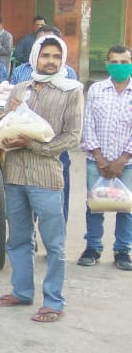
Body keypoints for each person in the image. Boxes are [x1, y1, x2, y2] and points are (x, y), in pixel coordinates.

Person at [0, 35, 82, 323]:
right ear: (34, 58)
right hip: (15, 174)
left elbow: (72, 137)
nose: (51, 61)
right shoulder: (20, 88)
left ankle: (53, 301)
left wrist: (33, 145)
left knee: (54, 243)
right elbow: (4, 127)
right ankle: (21, 292)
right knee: (18, 238)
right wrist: (10, 112)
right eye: (46, 56)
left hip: (47, 176)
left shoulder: (71, 91)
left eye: (56, 56)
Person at [11, 24, 77, 219]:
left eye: (56, 55)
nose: (50, 60)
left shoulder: (69, 76)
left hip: (55, 150)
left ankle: (58, 234)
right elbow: (10, 107)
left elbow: (72, 127)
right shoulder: (20, 74)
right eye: (44, 52)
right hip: (22, 151)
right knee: (23, 209)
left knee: (56, 209)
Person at [77, 44, 132, 270]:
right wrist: (99, 157)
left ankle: (123, 251)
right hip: (96, 161)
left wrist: (122, 160)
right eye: (114, 62)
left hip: (128, 163)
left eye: (124, 62)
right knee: (95, 205)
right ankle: (93, 247)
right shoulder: (97, 90)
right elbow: (88, 124)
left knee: (126, 207)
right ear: (107, 64)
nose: (119, 66)